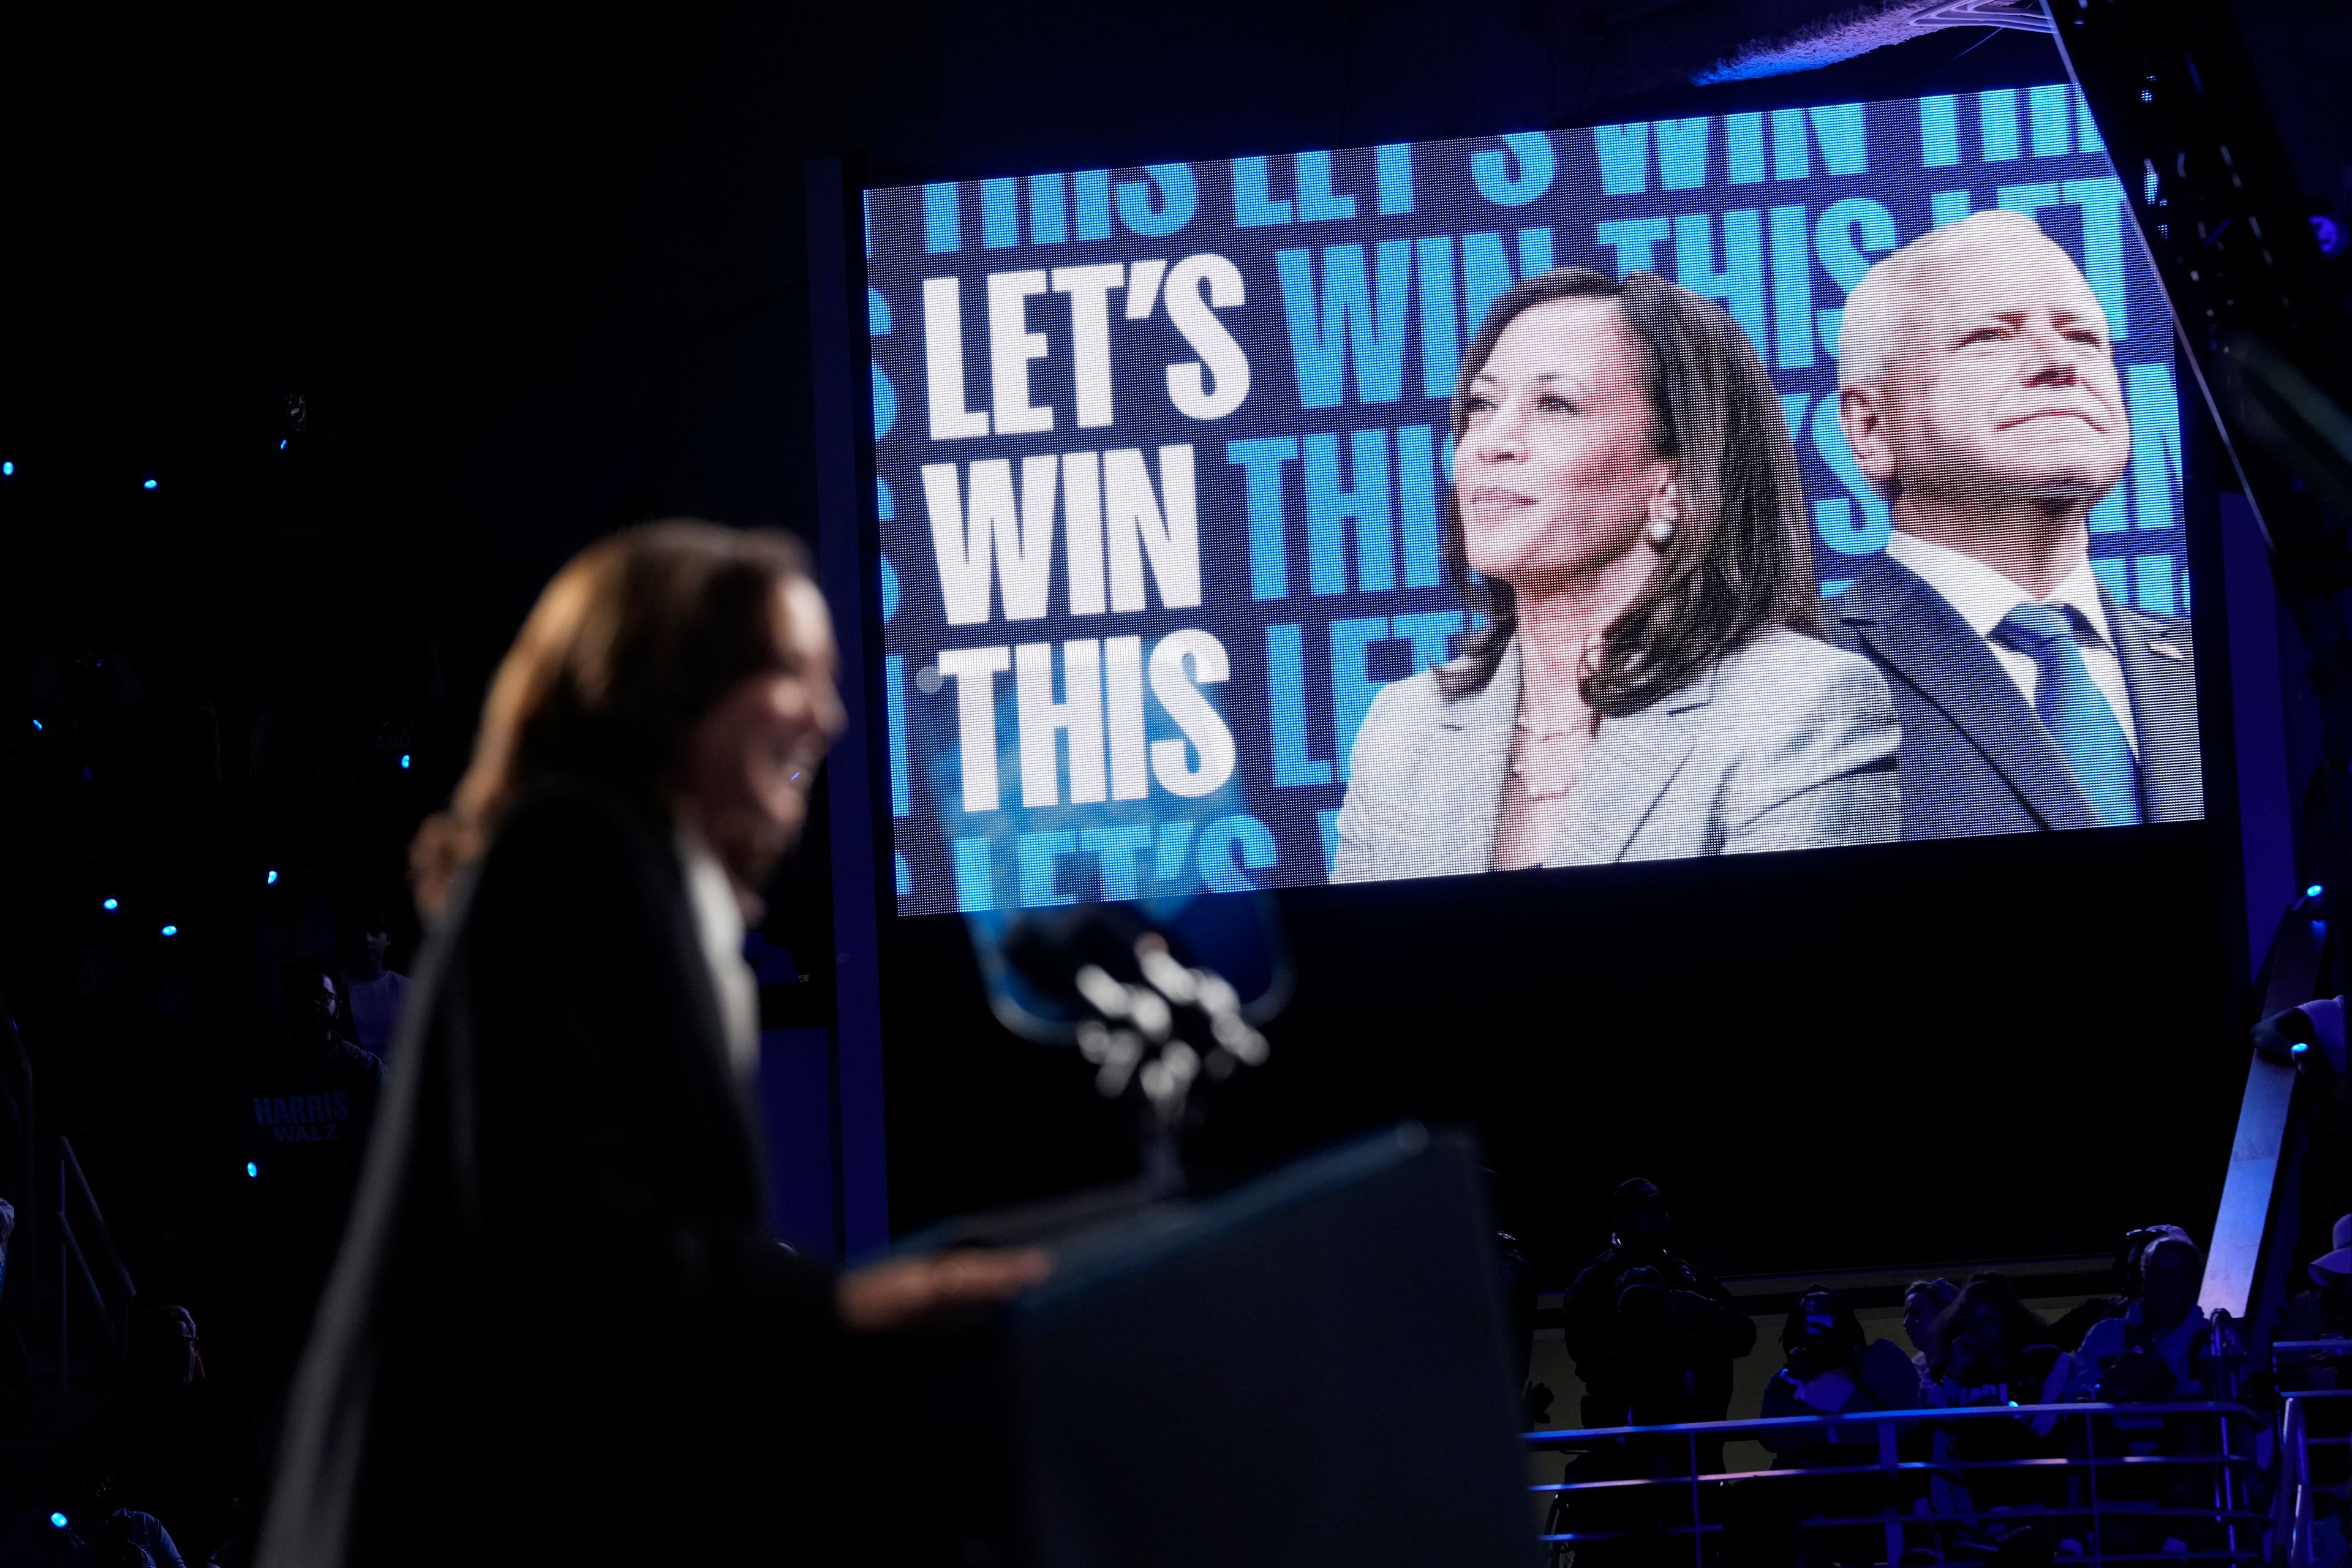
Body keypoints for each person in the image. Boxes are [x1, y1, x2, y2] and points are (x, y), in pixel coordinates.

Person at [257, 522, 1046, 1568]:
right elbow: (571, 1245)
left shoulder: (623, 882)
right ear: (672, 697)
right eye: (789, 673)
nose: (830, 713)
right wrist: (842, 1309)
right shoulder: (573, 862)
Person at [1334, 267, 1899, 883]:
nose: (1491, 442)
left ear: (1673, 481)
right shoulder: (1405, 725)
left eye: (1555, 404)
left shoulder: (1799, 704)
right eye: (1482, 404)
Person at [1830, 209, 2203, 840]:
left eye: (2084, 337)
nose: (2060, 362)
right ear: (1871, 429)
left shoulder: (2213, 667)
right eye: (1991, 336)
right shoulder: (1789, 667)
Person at [1562, 1178, 1755, 1429]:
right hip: (1626, 1442)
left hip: (1696, 1437)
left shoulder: (1689, 1277)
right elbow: (1587, 1359)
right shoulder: (1596, 1283)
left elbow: (1744, 1338)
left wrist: (1703, 1311)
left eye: (1660, 1209)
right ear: (1619, 1223)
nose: (1659, 1217)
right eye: (1646, 1211)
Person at [95, 1306, 256, 1567]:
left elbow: (251, 1474)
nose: (168, 1353)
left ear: (196, 1347)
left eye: (177, 1343)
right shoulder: (121, 1417)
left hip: (213, 1544)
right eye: (157, 1345)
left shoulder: (227, 1403)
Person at [0, 1434, 186, 1568]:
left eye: (96, 1482)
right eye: (77, 1481)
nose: (89, 1492)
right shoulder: (32, 1528)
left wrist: (143, 1562)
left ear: (109, 1481)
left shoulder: (143, 1524)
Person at [337, 903, 410, 1064]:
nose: (367, 939)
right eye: (359, 932)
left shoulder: (406, 988)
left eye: (375, 932)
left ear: (388, 938)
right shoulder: (336, 988)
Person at [1902, 1276, 1958, 1382]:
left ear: (1943, 1315)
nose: (1905, 1323)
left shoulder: (1980, 1369)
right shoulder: (1914, 1372)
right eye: (1905, 1315)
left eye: (1916, 1313)